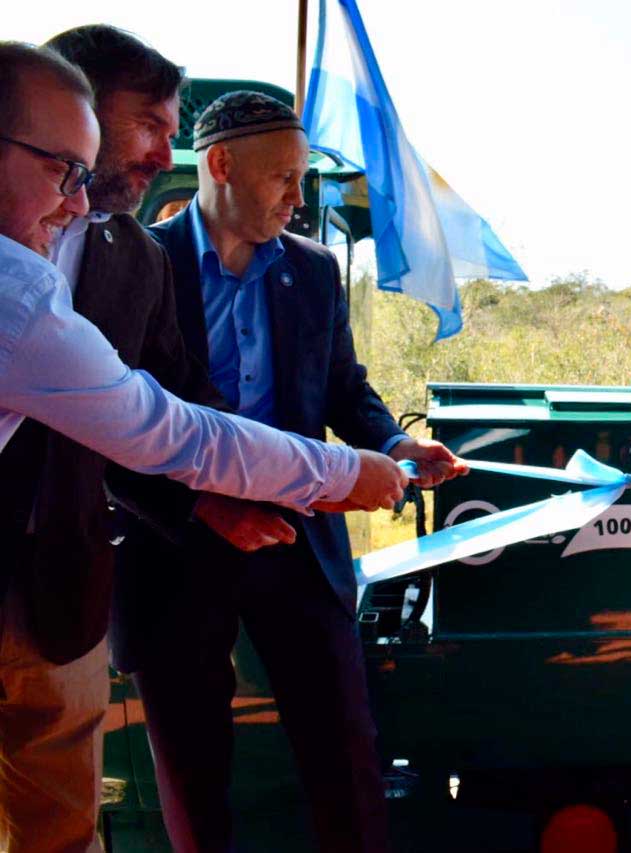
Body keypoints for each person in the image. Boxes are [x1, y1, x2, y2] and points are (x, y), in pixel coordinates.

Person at [0, 41, 408, 853]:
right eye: (148, 125)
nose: (164, 150)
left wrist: (373, 450)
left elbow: (196, 403)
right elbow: (164, 427)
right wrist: (335, 473)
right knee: (189, 769)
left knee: (62, 822)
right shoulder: (40, 283)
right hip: (169, 555)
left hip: (93, 575)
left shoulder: (136, 259)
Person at [110, 90, 465, 853]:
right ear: (220, 164)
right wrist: (204, 505)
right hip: (175, 547)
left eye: (302, 179)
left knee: (347, 757)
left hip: (300, 547)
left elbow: (344, 390)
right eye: (283, 179)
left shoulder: (311, 271)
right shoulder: (137, 266)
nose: (296, 200)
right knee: (193, 777)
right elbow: (109, 430)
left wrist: (396, 448)